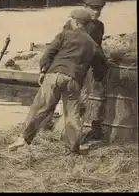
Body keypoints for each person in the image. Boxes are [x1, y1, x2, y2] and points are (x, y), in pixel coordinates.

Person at [8, 9, 107, 154]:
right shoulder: (92, 44)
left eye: (72, 20)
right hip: (73, 79)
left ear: (77, 23)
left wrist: (43, 71)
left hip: (53, 75)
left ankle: (23, 139)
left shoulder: (63, 35)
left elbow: (48, 54)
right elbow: (101, 64)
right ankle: (72, 149)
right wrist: (98, 78)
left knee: (40, 109)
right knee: (72, 114)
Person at [60, 0, 108, 140]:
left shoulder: (99, 26)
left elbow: (97, 48)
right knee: (70, 101)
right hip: (71, 68)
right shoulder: (72, 24)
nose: (96, 12)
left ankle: (74, 133)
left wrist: (100, 68)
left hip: (87, 68)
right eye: (93, 8)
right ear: (85, 7)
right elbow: (64, 46)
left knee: (83, 100)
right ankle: (66, 133)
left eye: (99, 9)